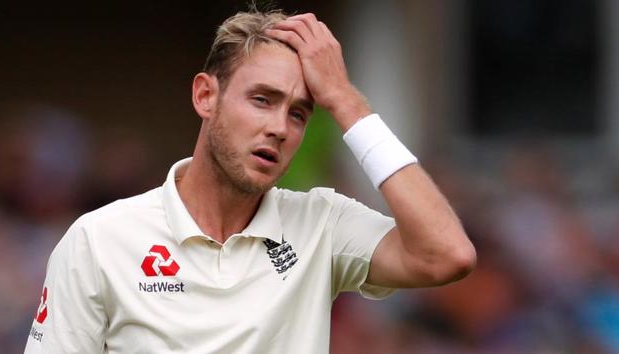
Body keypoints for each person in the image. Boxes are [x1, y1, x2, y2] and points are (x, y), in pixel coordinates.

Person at [24, 8, 476, 354]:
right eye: (262, 99)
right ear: (205, 95)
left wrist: (346, 102)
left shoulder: (322, 224)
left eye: (298, 113)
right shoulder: (98, 240)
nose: (280, 127)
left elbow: (447, 255)